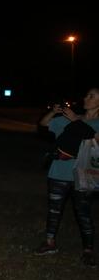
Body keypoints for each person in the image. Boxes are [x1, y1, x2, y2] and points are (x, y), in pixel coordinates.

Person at [34, 87, 99, 267]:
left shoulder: (95, 123)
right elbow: (45, 124)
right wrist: (52, 113)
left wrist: (75, 120)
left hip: (84, 175)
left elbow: (96, 139)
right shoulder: (69, 118)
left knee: (83, 213)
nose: (86, 98)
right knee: (54, 210)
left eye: (92, 96)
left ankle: (88, 251)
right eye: (86, 94)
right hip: (59, 171)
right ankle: (50, 243)